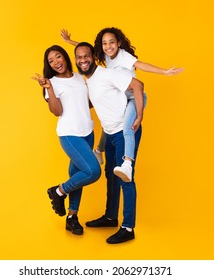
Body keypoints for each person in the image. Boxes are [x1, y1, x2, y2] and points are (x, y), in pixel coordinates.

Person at [62, 28, 183, 182]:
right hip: (122, 98)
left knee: (126, 127)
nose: (108, 46)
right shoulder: (106, 56)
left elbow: (142, 65)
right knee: (109, 125)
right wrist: (69, 42)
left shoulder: (124, 56)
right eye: (104, 43)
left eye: (112, 42)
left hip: (134, 97)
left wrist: (164, 72)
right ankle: (99, 151)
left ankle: (127, 163)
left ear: (118, 43)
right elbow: (86, 52)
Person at [74, 42, 144, 244]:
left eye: (87, 55)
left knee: (126, 178)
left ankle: (128, 227)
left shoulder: (107, 74)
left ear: (93, 57)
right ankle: (111, 216)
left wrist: (139, 115)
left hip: (125, 132)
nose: (83, 60)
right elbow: (94, 102)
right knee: (111, 175)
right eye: (79, 57)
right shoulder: (89, 81)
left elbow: (138, 86)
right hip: (110, 133)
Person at [32, 45, 101, 235]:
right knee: (93, 171)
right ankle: (58, 192)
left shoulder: (80, 77)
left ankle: (72, 217)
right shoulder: (51, 83)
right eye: (51, 61)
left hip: (87, 131)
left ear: (65, 57)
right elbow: (57, 111)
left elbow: (86, 103)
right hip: (70, 134)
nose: (56, 62)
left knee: (78, 175)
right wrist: (49, 89)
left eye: (58, 57)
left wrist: (105, 96)